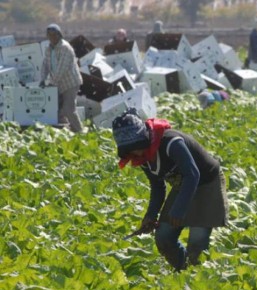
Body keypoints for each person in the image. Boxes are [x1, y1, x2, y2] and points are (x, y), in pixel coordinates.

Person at [111, 108, 228, 271]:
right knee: (164, 236)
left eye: (137, 146)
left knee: (197, 242)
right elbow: (158, 187)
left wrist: (179, 210)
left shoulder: (171, 142)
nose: (136, 152)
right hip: (183, 185)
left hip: (207, 183)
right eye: (131, 149)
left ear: (144, 138)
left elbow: (193, 174)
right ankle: (182, 271)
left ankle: (196, 277)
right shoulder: (142, 157)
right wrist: (150, 215)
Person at [40, 23, 84, 133]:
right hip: (58, 83)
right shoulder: (48, 48)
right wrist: (42, 79)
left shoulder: (66, 48)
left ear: (59, 35)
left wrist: (51, 83)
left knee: (69, 109)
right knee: (56, 109)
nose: (52, 37)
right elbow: (45, 65)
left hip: (70, 83)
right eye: (49, 35)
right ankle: (67, 130)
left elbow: (61, 69)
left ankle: (80, 132)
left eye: (54, 35)